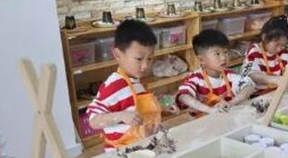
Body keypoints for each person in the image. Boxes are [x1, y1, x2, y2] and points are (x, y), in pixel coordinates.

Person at [87, 20, 161, 150]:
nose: (145, 66)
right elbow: (93, 120)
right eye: (139, 59)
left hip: (142, 146)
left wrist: (162, 109)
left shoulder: (135, 81)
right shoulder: (114, 85)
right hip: (122, 153)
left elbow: (138, 111)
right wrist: (120, 116)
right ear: (118, 54)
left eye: (149, 58)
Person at [177, 29, 255, 115]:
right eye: (217, 54)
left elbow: (249, 86)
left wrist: (230, 103)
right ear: (201, 59)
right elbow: (183, 97)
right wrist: (210, 110)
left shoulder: (229, 75)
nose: (223, 58)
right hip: (203, 123)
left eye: (225, 52)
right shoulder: (195, 79)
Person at [241, 16, 288, 90]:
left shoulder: (282, 52)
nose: (280, 48)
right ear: (264, 37)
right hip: (259, 93)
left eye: (284, 45)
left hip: (277, 91)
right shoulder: (254, 51)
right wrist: (275, 80)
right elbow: (251, 74)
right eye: (277, 44)